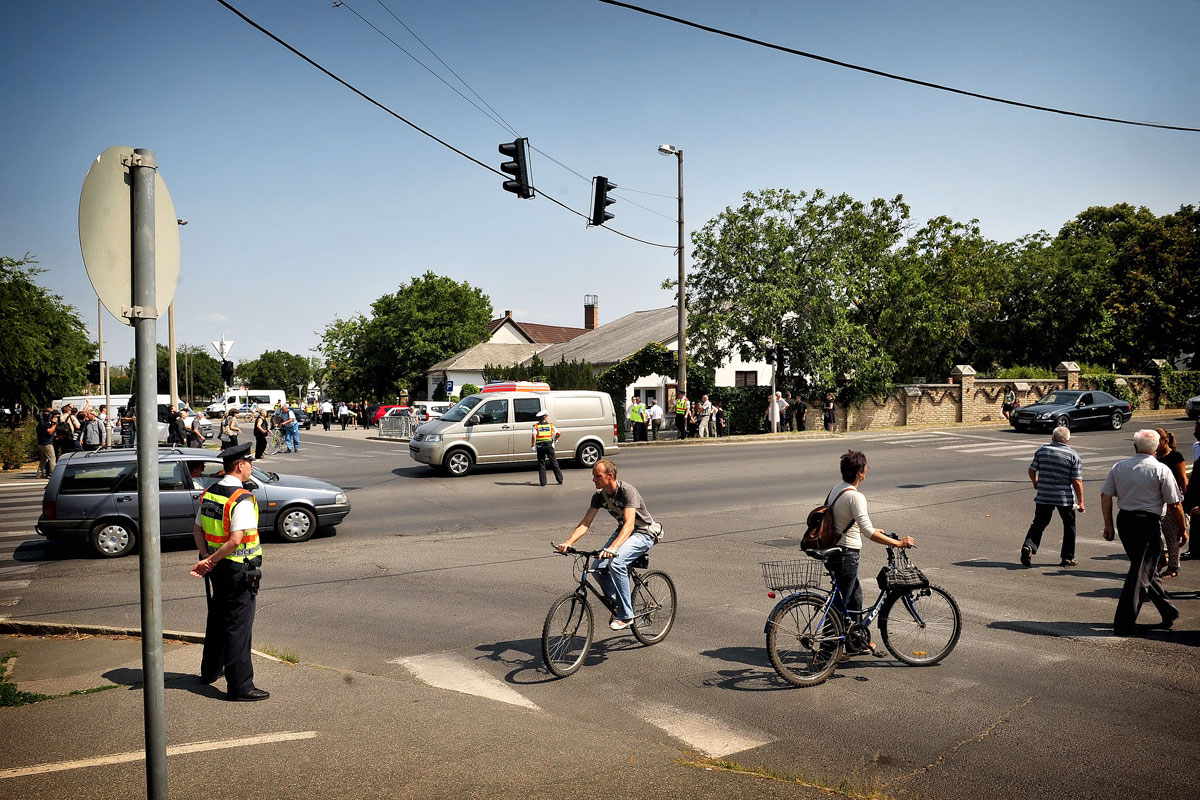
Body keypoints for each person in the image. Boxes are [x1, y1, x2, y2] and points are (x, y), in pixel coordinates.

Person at [190, 442, 268, 701]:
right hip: (238, 570)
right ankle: (240, 686)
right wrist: (209, 561)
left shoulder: (210, 492)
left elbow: (198, 529)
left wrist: (206, 558)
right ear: (240, 466)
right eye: (249, 463)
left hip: (217, 568)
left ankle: (210, 671)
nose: (251, 467)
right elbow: (236, 540)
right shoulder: (242, 498)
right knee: (238, 627)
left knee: (217, 619)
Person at [825, 450, 916, 652]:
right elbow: (867, 532)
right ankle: (826, 651)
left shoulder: (837, 489)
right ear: (860, 472)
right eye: (866, 467)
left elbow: (848, 521)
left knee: (855, 597)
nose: (867, 470)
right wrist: (898, 543)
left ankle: (856, 642)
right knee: (840, 605)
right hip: (846, 554)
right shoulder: (856, 497)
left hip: (834, 551)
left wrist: (875, 530)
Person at [556, 459, 658, 630]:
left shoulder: (627, 491)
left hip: (643, 533)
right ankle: (620, 604)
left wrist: (612, 548)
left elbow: (630, 524)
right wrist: (568, 542)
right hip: (623, 532)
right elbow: (585, 523)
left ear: (610, 476)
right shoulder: (599, 496)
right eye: (593, 476)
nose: (594, 480)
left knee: (616, 563)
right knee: (597, 567)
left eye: (597, 476)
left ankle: (626, 615)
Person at [1100, 429, 1186, 636]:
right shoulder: (1161, 470)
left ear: (1135, 446)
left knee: (1144, 568)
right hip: (1148, 523)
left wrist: (1108, 524)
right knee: (1140, 572)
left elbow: (1106, 495)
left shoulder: (1119, 466)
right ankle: (1123, 623)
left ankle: (1168, 610)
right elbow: (1174, 504)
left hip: (1126, 522)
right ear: (1156, 447)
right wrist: (1182, 528)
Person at [1020, 426, 1084, 568]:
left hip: (1044, 495)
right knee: (1069, 526)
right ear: (1067, 439)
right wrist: (1081, 502)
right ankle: (1067, 557)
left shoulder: (1042, 450)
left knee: (1039, 523)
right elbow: (1077, 481)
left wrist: (1035, 482)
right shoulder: (1073, 455)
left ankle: (1029, 546)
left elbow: (1031, 470)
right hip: (1064, 498)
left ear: (1053, 437)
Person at [1154, 427, 1188, 578]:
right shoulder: (1153, 458)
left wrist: (1185, 503)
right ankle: (1161, 558)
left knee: (1172, 535)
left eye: (1156, 442)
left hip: (1172, 501)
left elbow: (1183, 480)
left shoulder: (1176, 457)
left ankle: (1174, 567)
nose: (1154, 445)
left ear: (1165, 441)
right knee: (1155, 534)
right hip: (1156, 502)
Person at [531, 409, 563, 486]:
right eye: (546, 416)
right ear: (545, 417)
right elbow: (559, 433)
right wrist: (555, 439)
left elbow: (534, 436)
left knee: (541, 464)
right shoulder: (551, 425)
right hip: (549, 446)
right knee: (554, 462)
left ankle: (543, 482)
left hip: (540, 447)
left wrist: (533, 446)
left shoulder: (535, 426)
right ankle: (560, 479)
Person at [36, 408, 58, 478]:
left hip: (41, 443)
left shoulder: (41, 422)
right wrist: (55, 424)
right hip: (46, 443)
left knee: (44, 458)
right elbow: (49, 431)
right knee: (52, 458)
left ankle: (39, 473)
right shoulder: (45, 423)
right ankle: (53, 473)